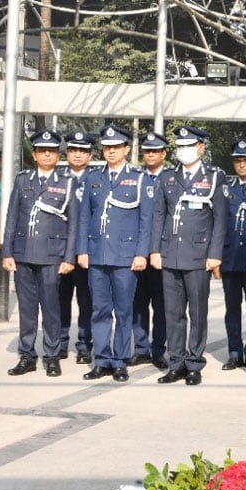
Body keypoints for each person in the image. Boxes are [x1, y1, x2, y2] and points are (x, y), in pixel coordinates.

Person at [76, 124, 153, 382]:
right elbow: (84, 218)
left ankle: (120, 360)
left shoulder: (140, 178)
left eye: (116, 147)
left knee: (123, 311)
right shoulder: (93, 178)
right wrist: (82, 250)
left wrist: (142, 253)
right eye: (107, 147)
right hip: (97, 255)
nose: (111, 152)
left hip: (125, 256)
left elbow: (146, 221)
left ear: (126, 149)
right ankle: (102, 360)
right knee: (99, 310)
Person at [151, 126, 227, 386]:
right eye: (180, 146)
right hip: (170, 254)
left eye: (189, 145)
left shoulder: (214, 177)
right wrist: (154, 250)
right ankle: (176, 362)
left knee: (197, 312)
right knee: (173, 313)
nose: (184, 150)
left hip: (198, 256)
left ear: (201, 147)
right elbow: (159, 215)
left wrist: (215, 254)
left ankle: (194, 363)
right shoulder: (168, 178)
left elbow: (220, 219)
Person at [1, 129, 79, 377]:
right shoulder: (23, 180)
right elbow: (12, 217)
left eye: (52, 151)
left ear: (58, 155)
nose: (47, 154)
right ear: (34, 155)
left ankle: (52, 356)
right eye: (42, 151)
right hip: (24, 255)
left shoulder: (67, 182)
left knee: (51, 309)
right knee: (26, 309)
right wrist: (7, 252)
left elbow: (74, 224)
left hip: (52, 256)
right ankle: (27, 355)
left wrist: (69, 258)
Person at [219, 138, 246, 372]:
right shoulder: (226, 189)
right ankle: (234, 352)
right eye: (238, 160)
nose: (242, 165)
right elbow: (218, 225)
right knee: (232, 308)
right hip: (231, 259)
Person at [131, 131, 170, 369]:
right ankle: (141, 348)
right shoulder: (135, 178)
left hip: (162, 255)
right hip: (137, 253)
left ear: (164, 154)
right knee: (138, 304)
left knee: (162, 305)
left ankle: (158, 350)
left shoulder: (172, 179)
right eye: (147, 151)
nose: (151, 155)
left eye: (155, 151)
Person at [57, 130, 95, 364]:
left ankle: (84, 345)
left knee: (87, 302)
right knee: (58, 301)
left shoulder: (97, 180)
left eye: (83, 151)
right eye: (74, 150)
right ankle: (60, 343)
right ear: (67, 153)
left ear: (90, 155)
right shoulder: (57, 178)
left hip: (87, 254)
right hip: (60, 252)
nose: (78, 155)